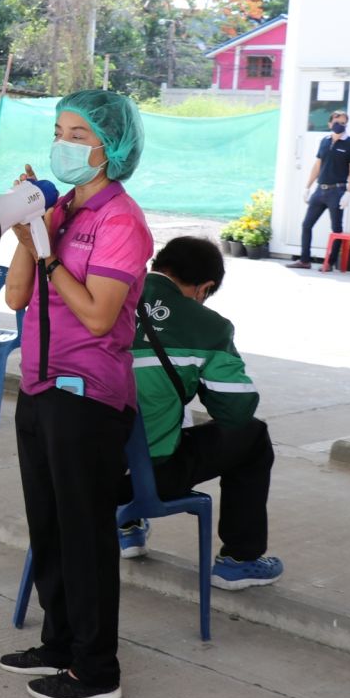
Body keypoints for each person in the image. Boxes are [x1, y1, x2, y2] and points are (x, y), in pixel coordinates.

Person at [0, 90, 154, 698]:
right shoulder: (61, 209)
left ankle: (97, 670)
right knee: (49, 524)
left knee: (86, 533)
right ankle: (59, 641)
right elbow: (15, 297)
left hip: (87, 396)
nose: (63, 144)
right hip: (40, 387)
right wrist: (30, 228)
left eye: (78, 134)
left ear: (109, 149)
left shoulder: (123, 222)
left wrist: (47, 254)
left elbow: (97, 316)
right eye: (58, 131)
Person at [120, 237, 283, 590]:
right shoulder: (208, 327)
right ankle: (240, 560)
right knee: (253, 436)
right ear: (205, 287)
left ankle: (126, 529)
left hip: (82, 471)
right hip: (149, 478)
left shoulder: (104, 296)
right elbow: (236, 409)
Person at [288, 109, 350, 271]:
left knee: (336, 229)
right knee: (307, 224)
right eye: (336, 122)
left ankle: (329, 263)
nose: (339, 125)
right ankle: (305, 260)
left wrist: (349, 192)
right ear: (329, 124)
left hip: (337, 191)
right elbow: (317, 165)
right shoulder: (325, 141)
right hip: (320, 191)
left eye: (343, 123)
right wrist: (307, 187)